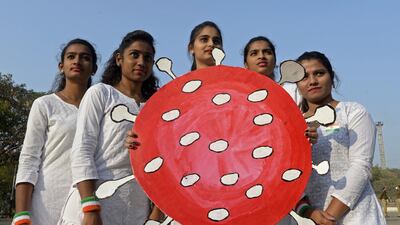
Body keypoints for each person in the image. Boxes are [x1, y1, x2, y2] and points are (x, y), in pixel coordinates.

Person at [58, 30, 163, 225]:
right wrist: (89, 207)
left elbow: (163, 163)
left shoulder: (155, 108)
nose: (141, 62)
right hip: (93, 205)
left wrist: (157, 212)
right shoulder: (101, 93)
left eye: (147, 58)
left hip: (135, 211)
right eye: (134, 55)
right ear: (119, 59)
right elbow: (82, 149)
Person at [13, 38, 98, 225]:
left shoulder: (102, 109)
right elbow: (29, 159)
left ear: (94, 68)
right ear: (62, 66)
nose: (77, 61)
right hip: (47, 202)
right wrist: (21, 214)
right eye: (71, 57)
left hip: (88, 202)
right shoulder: (45, 105)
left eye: (85, 58)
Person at [296, 51, 386, 224]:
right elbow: (287, 177)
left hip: (358, 216)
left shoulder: (352, 112)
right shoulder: (293, 125)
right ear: (297, 84)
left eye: (319, 73)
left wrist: (328, 217)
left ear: (332, 76)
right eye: (304, 77)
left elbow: (361, 167)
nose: (312, 81)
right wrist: (311, 214)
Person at [243, 36, 317, 225]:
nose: (262, 56)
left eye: (267, 52)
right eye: (254, 53)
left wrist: (311, 133)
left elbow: (310, 120)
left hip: (283, 181)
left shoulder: (292, 92)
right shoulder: (237, 96)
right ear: (245, 64)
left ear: (275, 60)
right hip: (245, 182)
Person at [126, 21, 223, 149]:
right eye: (204, 39)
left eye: (216, 41)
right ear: (191, 48)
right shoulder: (176, 92)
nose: (211, 44)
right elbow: (163, 132)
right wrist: (137, 139)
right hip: (191, 161)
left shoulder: (234, 86)